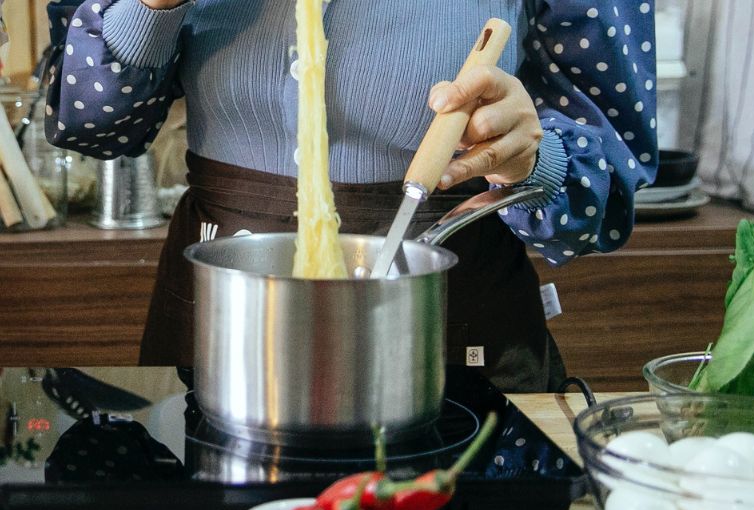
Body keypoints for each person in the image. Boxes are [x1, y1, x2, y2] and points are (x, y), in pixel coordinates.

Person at [43, 0, 657, 393]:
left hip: (454, 339)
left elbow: (604, 206)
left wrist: (534, 160)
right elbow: (87, 124)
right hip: (221, 336)